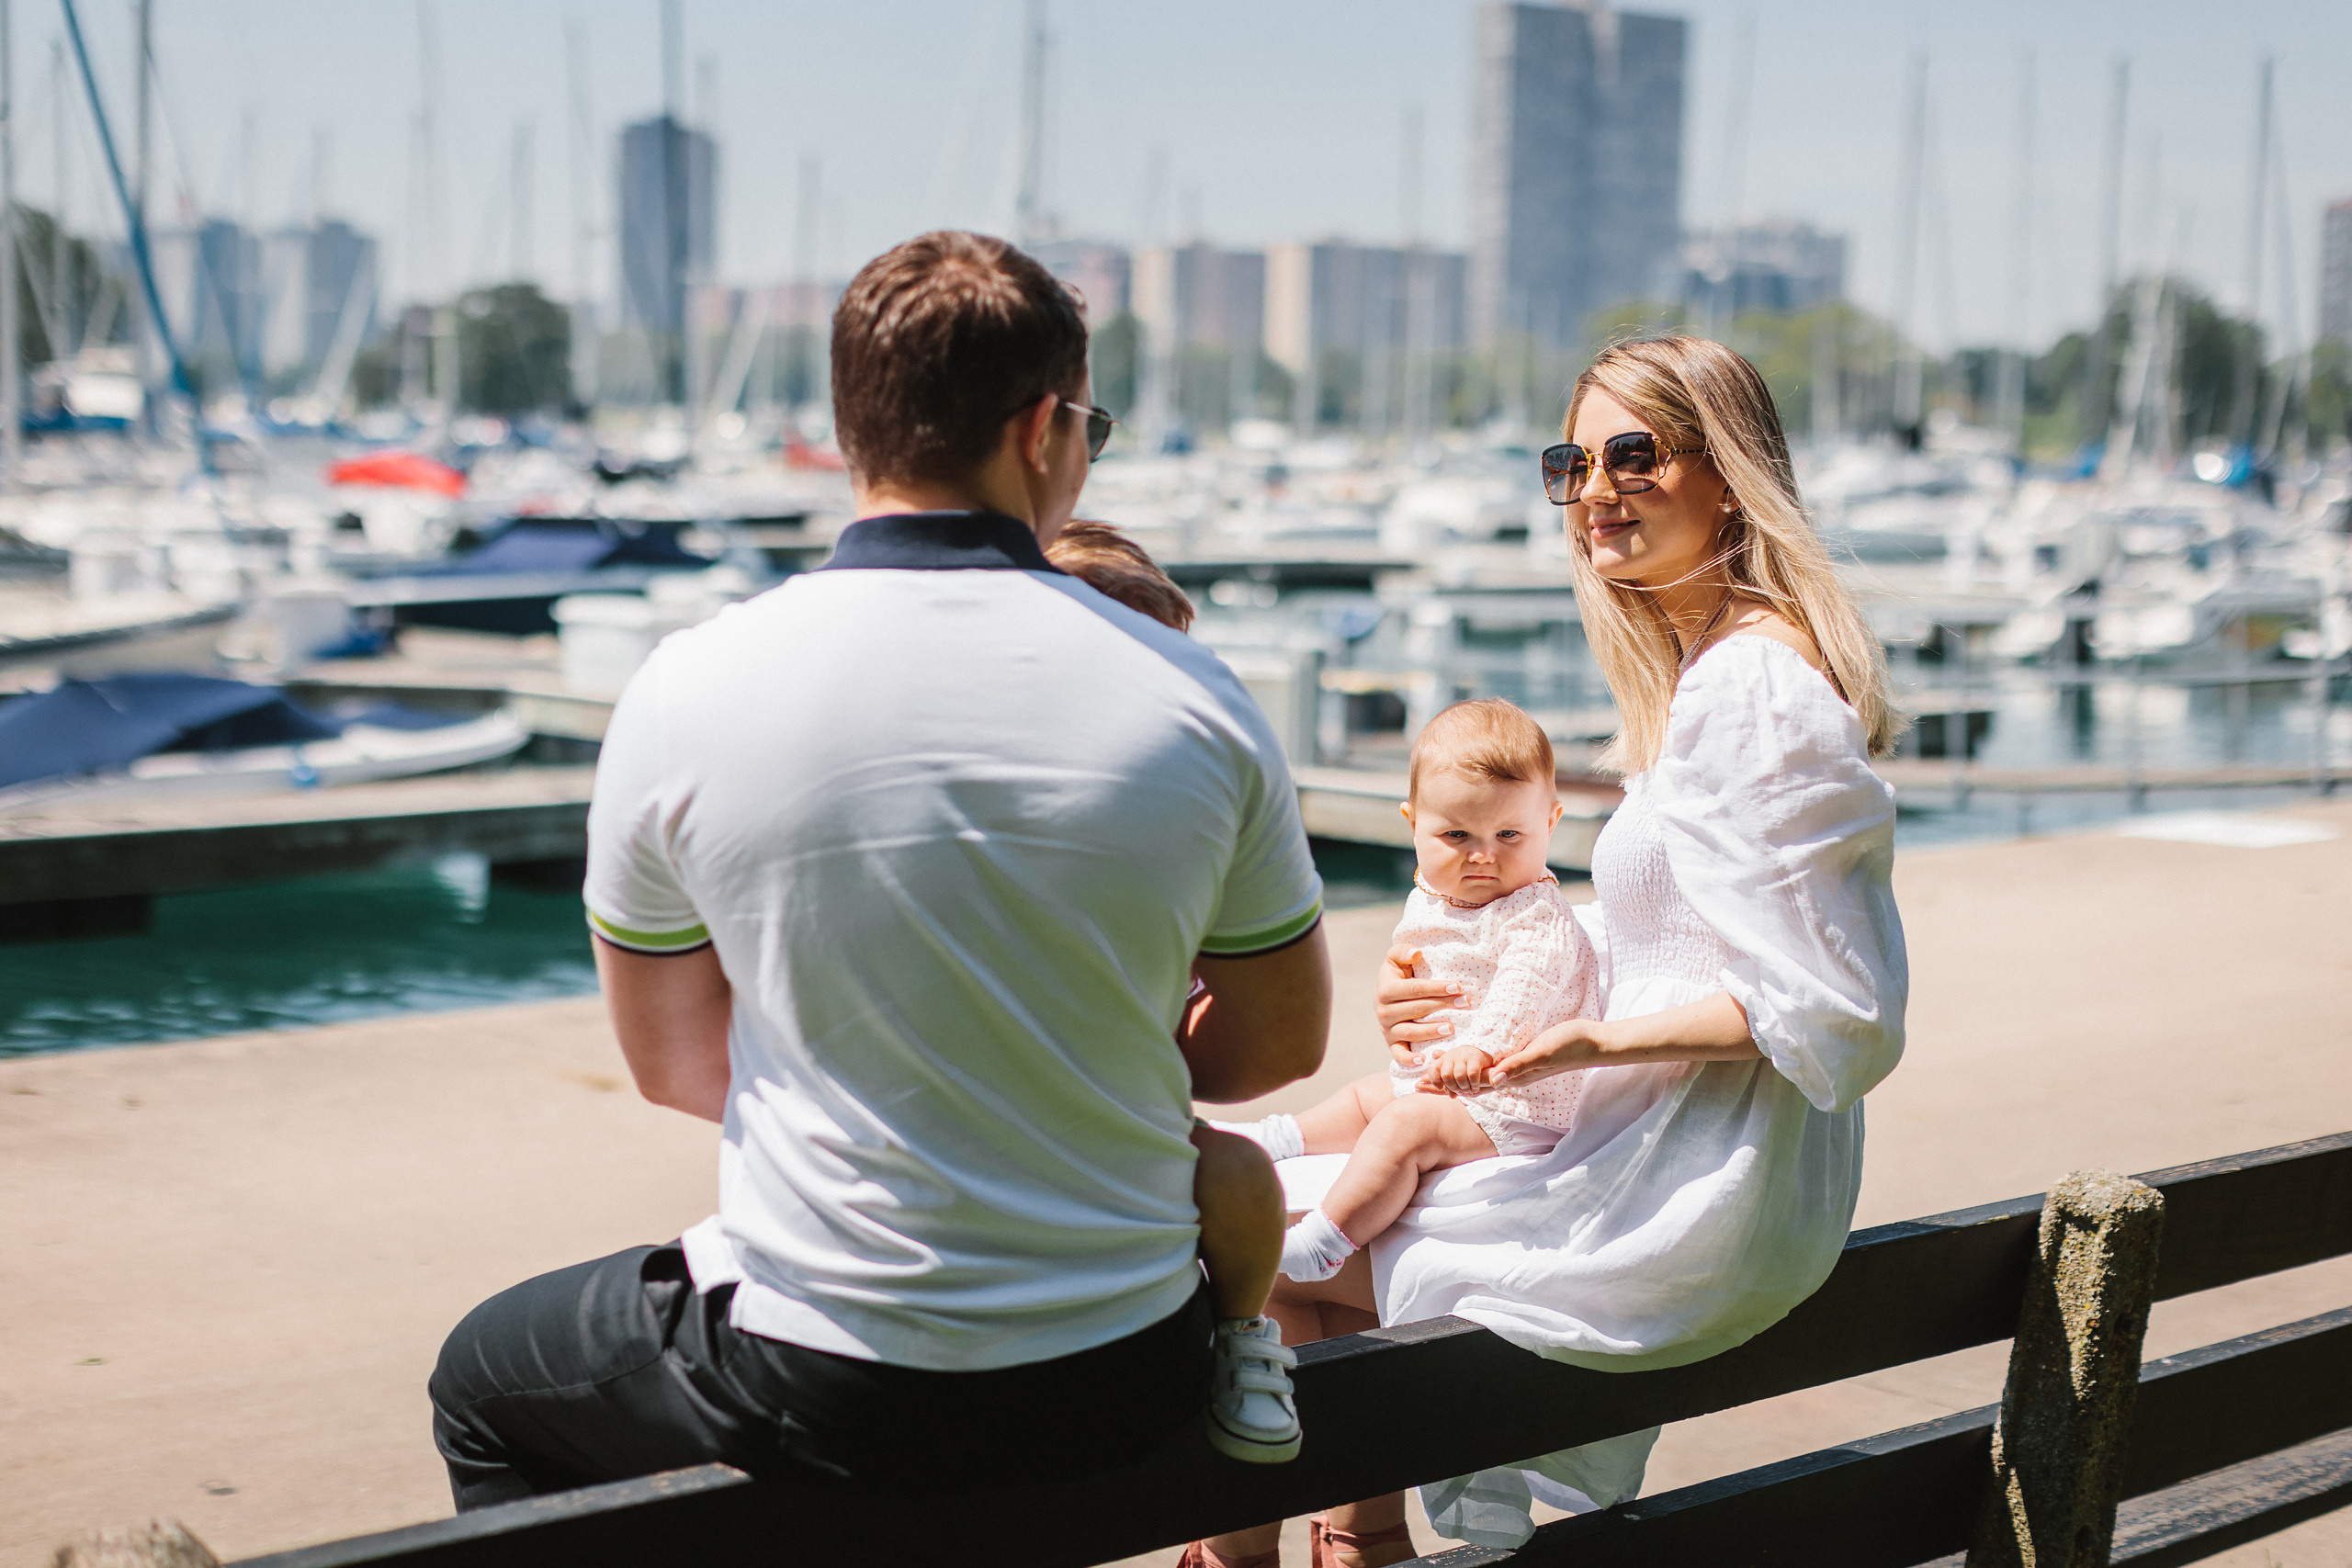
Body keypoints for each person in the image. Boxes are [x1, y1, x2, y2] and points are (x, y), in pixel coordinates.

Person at [428, 231, 1332, 1507]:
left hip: (828, 1371)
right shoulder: (1195, 698)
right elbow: (1272, 1046)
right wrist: (1057, 1057)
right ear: (1040, 428)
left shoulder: (689, 685)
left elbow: (677, 1066)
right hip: (1126, 1364)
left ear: (854, 428)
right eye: (1095, 425)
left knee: (482, 1384)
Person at [1188, 334, 1908, 1568]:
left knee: (1253, 1254)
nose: (1595, 488)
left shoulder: (1754, 684)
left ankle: (1298, 1551)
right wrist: (1474, 977)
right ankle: (1342, 1546)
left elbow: (1839, 1008)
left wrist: (1585, 1038)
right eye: (1567, 463)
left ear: (1726, 471)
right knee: (1288, 1234)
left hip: (1685, 1192)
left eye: (1634, 453)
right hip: (1662, 1153)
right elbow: (1690, 933)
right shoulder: (1709, 674)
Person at [1042, 517, 1302, 1463]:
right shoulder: (1163, 811)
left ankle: (1241, 1332)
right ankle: (1240, 1339)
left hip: (1112, 1118)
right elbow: (1270, 1044)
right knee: (1233, 1169)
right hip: (1097, 1127)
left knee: (1240, 1174)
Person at [1210, 699, 1600, 1288]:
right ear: (1412, 823)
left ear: (1551, 823)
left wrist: (1484, 1049)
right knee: (1364, 1099)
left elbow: (1527, 987)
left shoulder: (1534, 914)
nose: (1483, 854)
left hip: (1519, 1103)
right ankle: (1275, 1139)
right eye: (1456, 834)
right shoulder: (1435, 897)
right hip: (1452, 1083)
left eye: (1509, 834)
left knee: (1403, 1129)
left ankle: (1325, 1241)